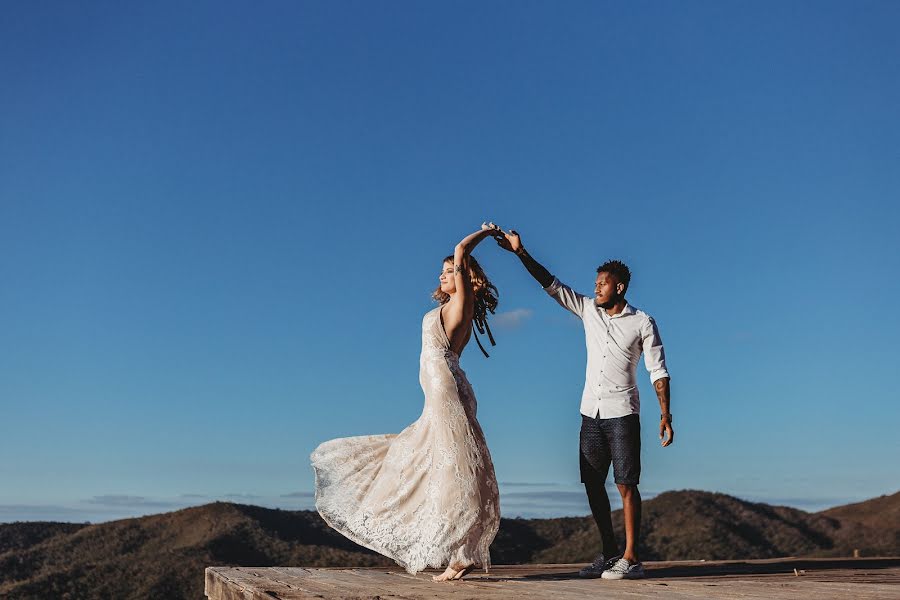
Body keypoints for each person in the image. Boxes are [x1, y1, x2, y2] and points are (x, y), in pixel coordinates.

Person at [310, 223, 502, 582]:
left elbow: (461, 251)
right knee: (427, 458)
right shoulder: (449, 306)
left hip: (446, 389)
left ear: (464, 277)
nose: (444, 275)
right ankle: (460, 551)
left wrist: (482, 235)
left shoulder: (462, 302)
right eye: (443, 272)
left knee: (452, 465)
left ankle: (462, 552)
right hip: (441, 389)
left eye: (450, 272)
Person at [493, 228, 673, 580]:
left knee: (626, 484)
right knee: (592, 483)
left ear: (619, 287)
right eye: (595, 284)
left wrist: (665, 414)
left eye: (602, 284)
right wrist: (520, 252)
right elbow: (552, 285)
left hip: (622, 412)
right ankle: (608, 554)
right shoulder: (588, 311)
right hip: (590, 412)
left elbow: (658, 371)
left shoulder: (642, 322)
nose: (595, 288)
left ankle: (631, 557)